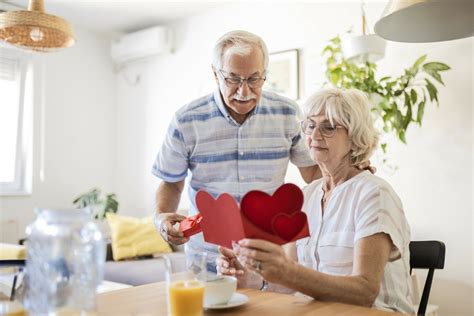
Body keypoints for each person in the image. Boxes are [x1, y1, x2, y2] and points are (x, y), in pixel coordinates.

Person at [217, 88, 414, 313]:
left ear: (355, 138)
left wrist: (286, 270)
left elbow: (365, 292)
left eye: (328, 127)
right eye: (310, 125)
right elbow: (288, 284)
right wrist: (250, 277)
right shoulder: (306, 196)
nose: (315, 135)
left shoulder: (374, 193)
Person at [151, 30, 320, 271]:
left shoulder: (288, 114)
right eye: (233, 79)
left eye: (254, 79)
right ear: (215, 74)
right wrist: (162, 218)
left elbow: (314, 173)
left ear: (264, 74)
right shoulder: (186, 121)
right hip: (207, 258)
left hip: (269, 256)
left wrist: (350, 171)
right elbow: (171, 182)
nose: (244, 91)